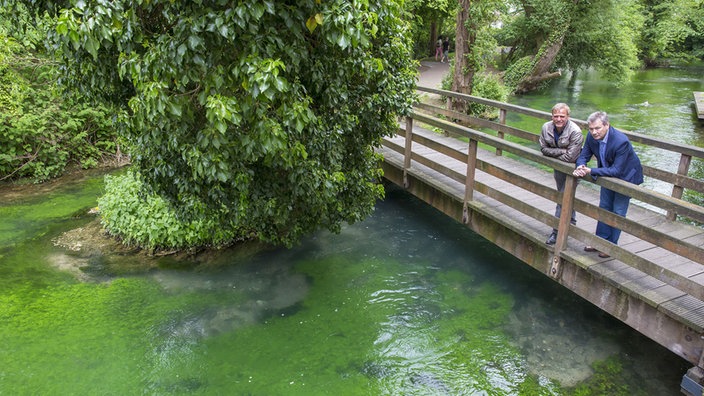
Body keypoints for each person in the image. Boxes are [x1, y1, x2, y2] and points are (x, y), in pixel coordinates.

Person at [573, 111, 643, 258]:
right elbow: (584, 155)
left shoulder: (620, 141)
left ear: (607, 125)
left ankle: (611, 246)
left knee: (618, 211)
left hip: (626, 178)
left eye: (597, 128)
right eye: (591, 129)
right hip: (607, 175)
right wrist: (580, 166)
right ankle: (600, 241)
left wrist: (591, 170)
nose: (594, 132)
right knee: (604, 206)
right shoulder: (592, 137)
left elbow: (617, 170)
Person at [539, 103, 584, 245]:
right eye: (556, 116)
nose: (558, 119)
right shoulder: (546, 127)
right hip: (558, 167)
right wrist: (562, 151)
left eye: (562, 116)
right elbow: (543, 149)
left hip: (574, 169)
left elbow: (571, 158)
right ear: (552, 116)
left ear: (568, 117)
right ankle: (572, 221)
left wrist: (556, 154)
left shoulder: (575, 131)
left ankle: (556, 232)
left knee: (563, 197)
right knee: (564, 194)